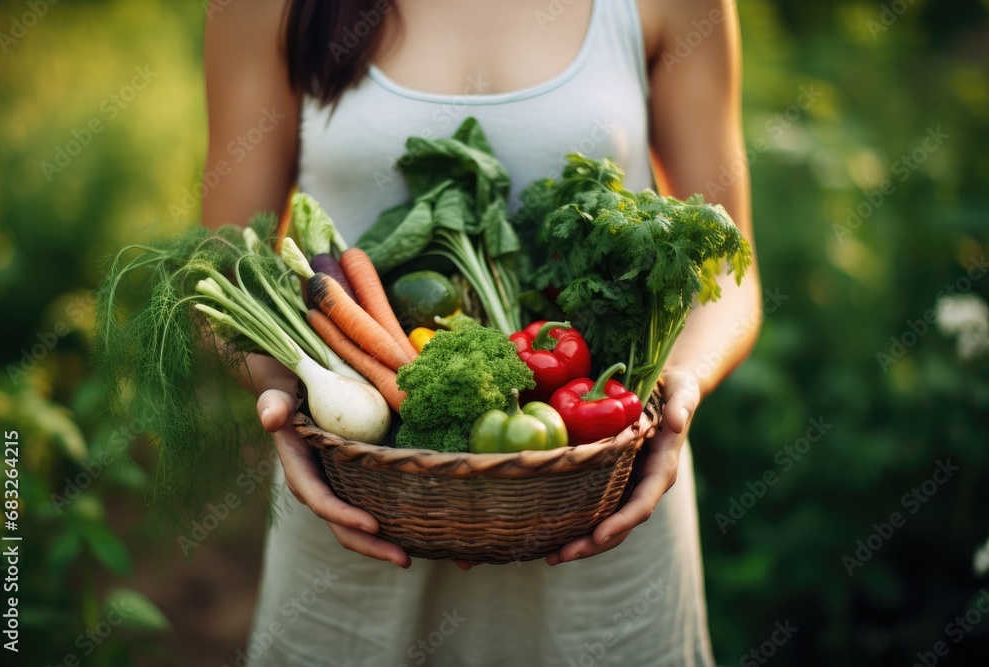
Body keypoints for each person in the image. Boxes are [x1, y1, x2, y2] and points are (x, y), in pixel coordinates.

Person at [203, 0, 761, 664]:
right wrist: (285, 387)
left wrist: (675, 393)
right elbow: (223, 270)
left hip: (608, 501)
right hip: (354, 508)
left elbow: (730, 274)